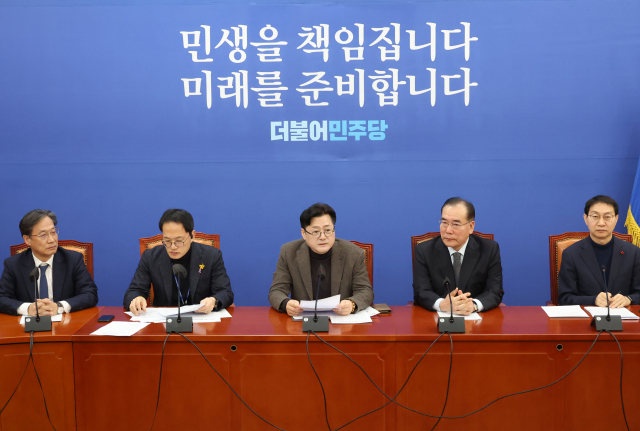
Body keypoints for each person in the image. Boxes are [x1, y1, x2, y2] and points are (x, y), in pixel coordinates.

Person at [269, 203, 373, 316]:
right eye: (316, 232)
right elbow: (277, 290)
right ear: (304, 233)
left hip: (341, 320)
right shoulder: (289, 252)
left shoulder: (353, 253)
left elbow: (365, 291)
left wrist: (352, 304)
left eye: (327, 230)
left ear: (334, 230)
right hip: (304, 321)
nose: (323, 237)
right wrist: (286, 304)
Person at [124, 209, 233, 315]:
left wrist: (213, 301)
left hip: (201, 318)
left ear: (192, 235)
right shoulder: (151, 257)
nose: (173, 247)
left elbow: (225, 292)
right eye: (167, 241)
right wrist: (136, 298)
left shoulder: (211, 256)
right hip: (163, 321)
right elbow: (133, 291)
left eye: (179, 241)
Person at [413, 197, 504, 315]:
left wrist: (473, 305)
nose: (448, 230)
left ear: (471, 227)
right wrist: (442, 304)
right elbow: (421, 291)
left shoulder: (489, 249)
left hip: (476, 319)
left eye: (456, 224)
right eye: (444, 223)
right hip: (436, 318)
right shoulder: (424, 250)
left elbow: (495, 291)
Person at [0, 209, 98, 316]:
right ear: (27, 239)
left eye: (53, 232)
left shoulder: (73, 260)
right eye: (43, 235)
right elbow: (2, 298)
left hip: (65, 323)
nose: (51, 240)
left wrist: (59, 306)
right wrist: (28, 309)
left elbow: (90, 294)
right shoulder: (13, 264)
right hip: (28, 324)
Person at [558, 195, 640, 307]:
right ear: (585, 218)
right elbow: (565, 298)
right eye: (595, 216)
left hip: (623, 315)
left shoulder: (633, 253)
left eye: (607, 217)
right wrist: (593, 300)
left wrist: (628, 299)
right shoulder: (571, 254)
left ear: (616, 219)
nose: (601, 223)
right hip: (586, 316)